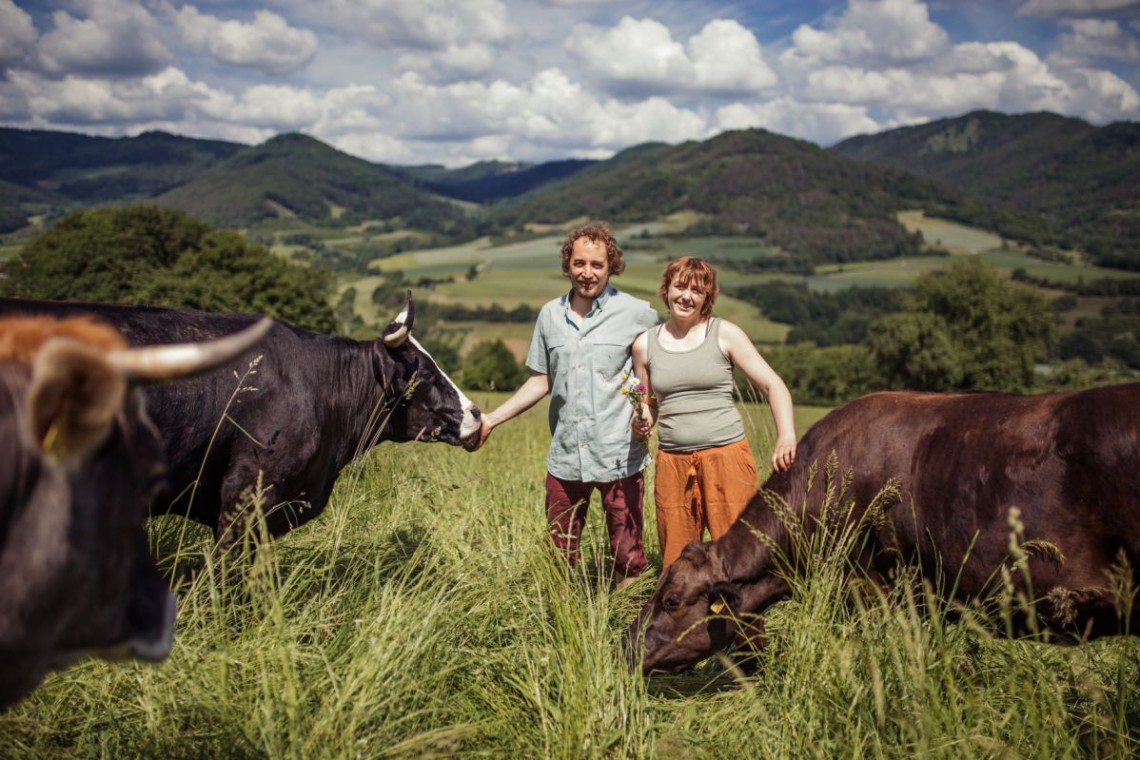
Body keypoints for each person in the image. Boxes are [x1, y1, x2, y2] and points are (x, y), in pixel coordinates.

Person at [478, 223, 659, 588]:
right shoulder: (549, 316)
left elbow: (651, 373)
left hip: (619, 454)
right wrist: (491, 419)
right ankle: (563, 624)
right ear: (568, 264)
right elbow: (542, 379)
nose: (587, 273)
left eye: (596, 264)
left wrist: (648, 412)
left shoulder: (638, 313)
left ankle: (626, 629)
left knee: (628, 555)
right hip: (565, 455)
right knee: (559, 553)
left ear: (611, 267)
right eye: (579, 263)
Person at [631, 256, 797, 570]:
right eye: (680, 286)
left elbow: (774, 386)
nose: (686, 296)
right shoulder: (644, 345)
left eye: (697, 291)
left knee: (737, 555)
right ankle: (690, 620)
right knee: (679, 563)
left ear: (707, 298)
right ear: (666, 289)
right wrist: (640, 423)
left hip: (726, 459)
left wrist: (786, 435)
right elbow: (648, 404)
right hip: (674, 464)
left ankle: (739, 620)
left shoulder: (725, 334)